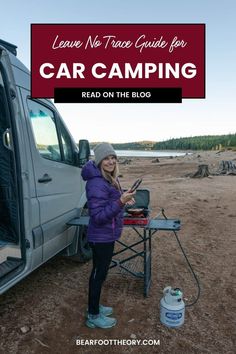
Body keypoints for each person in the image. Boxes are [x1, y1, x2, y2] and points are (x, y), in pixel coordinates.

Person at [81, 142, 135, 329]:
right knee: (98, 274)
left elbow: (109, 203)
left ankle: (94, 307)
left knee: (100, 273)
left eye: (113, 157)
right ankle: (93, 315)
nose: (111, 161)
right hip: (100, 236)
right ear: (98, 161)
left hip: (107, 235)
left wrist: (124, 197)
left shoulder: (107, 179)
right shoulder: (96, 182)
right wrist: (121, 201)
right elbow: (98, 217)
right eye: (106, 158)